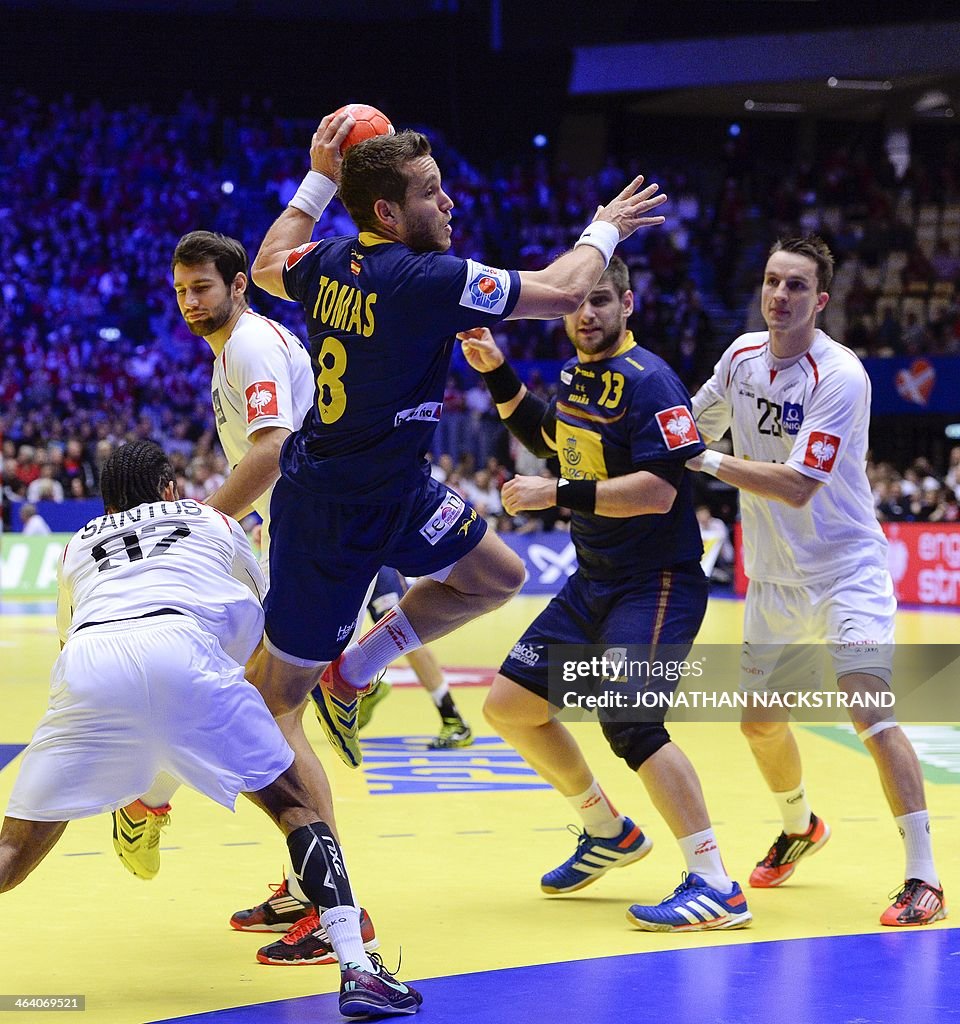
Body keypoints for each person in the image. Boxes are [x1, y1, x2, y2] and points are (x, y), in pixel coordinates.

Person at [248, 111, 667, 779]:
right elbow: (562, 292)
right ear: (388, 211)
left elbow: (267, 265)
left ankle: (352, 673)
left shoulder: (327, 259)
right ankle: (176, 798)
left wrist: (317, 182)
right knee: (275, 699)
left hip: (399, 489)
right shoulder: (422, 280)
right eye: (430, 192)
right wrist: (607, 227)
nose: (449, 202)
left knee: (498, 576)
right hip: (330, 509)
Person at [0, 441, 420, 1018]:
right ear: (171, 489)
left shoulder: (78, 544)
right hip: (187, 657)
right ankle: (357, 966)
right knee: (297, 805)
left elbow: (70, 635)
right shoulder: (214, 519)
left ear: (104, 503)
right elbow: (268, 621)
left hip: (92, 666)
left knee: (11, 851)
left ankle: (144, 800)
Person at [459, 256, 751, 932]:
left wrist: (554, 493)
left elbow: (661, 491)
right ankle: (608, 831)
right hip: (595, 578)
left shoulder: (653, 383)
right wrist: (494, 368)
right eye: (574, 304)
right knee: (510, 707)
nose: (584, 314)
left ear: (628, 304)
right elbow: (555, 442)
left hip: (658, 583)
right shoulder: (576, 376)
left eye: (598, 301)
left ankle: (715, 882)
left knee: (629, 718)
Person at [689, 235, 946, 926]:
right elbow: (689, 421)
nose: (779, 295)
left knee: (870, 709)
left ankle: (924, 876)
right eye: (772, 281)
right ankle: (800, 826)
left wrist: (704, 461)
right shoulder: (741, 355)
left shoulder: (841, 375)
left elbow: (799, 486)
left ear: (820, 300)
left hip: (845, 571)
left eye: (796, 286)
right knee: (758, 724)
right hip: (772, 580)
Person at [358, 568, 474, 749]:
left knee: (402, 634)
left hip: (377, 562)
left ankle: (453, 719)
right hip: (341, 560)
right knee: (327, 636)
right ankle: (366, 683)